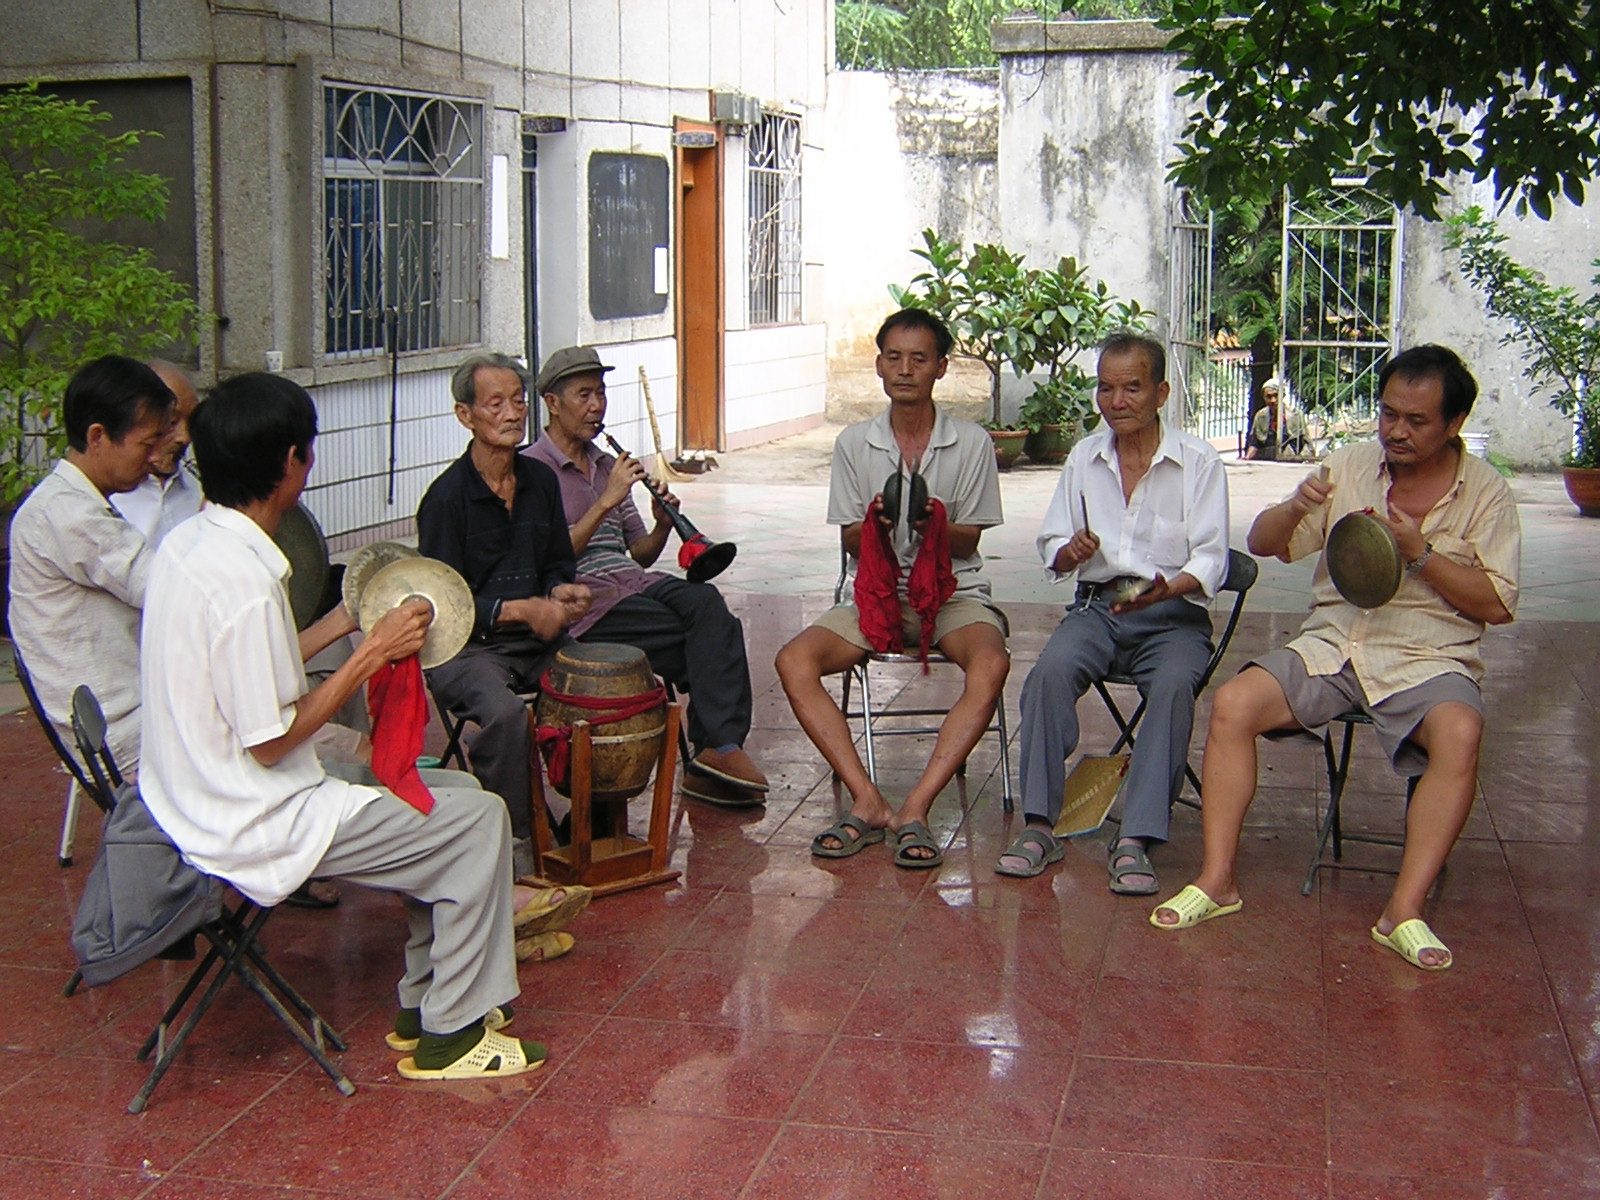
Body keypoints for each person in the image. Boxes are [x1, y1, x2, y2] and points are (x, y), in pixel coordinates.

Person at [138, 370, 545, 1079]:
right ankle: (451, 1034)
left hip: (202, 792)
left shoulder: (193, 545)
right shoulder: (242, 583)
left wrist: (349, 616)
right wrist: (373, 656)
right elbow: (270, 738)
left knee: (447, 787)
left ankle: (427, 1002)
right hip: (253, 814)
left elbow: (254, 672)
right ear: (294, 462)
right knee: (476, 825)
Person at [1152, 345, 1520, 972]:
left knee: (1460, 731)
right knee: (1235, 704)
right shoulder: (1350, 466)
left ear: (1454, 424)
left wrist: (1423, 553)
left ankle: (1402, 910)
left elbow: (1496, 604)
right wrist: (1297, 506)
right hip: (1334, 643)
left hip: (1427, 656)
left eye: (1417, 420)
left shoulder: (1487, 494)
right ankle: (1218, 881)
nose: (1396, 430)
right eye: (1388, 413)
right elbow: (1264, 544)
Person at [775, 308, 1009, 870]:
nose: (905, 369)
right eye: (894, 358)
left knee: (991, 665)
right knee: (792, 661)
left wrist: (931, 523)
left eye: (919, 359)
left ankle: (917, 806)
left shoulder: (972, 442)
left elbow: (969, 541)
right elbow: (852, 542)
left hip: (956, 594)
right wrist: (876, 528)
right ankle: (867, 798)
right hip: (873, 596)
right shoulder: (855, 443)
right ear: (879, 366)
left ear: (941, 368)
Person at [998, 333, 1229, 892]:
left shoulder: (1198, 462)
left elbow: (1214, 556)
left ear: (1161, 392)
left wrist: (1169, 588)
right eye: (1106, 387)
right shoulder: (1085, 457)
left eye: (1132, 387)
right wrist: (1068, 551)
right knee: (1048, 674)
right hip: (1100, 608)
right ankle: (1039, 826)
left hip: (1173, 616)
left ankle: (1136, 839)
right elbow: (1052, 537)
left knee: (1174, 688)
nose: (1116, 400)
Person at [524, 345, 767, 806]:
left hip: (632, 586)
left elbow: (638, 555)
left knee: (708, 605)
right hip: (585, 603)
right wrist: (604, 503)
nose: (596, 406)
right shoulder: (533, 470)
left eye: (600, 394)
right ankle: (714, 755)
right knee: (711, 638)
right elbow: (545, 559)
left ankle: (719, 749)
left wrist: (659, 523)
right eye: (583, 396)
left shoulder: (603, 463)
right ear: (552, 403)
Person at [417, 353, 593, 877]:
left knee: (610, 684)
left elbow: (558, 564)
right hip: (466, 650)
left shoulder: (539, 481)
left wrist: (563, 593)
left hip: (536, 645)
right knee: (504, 713)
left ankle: (596, 827)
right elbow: (442, 607)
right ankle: (512, 847)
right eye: (496, 403)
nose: (513, 413)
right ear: (465, 415)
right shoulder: (446, 500)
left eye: (518, 400)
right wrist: (518, 609)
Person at [9, 356, 175, 769]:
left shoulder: (66, 502)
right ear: (98, 436)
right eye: (147, 443)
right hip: (123, 735)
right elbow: (172, 591)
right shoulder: (69, 514)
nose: (156, 457)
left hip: (124, 718)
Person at [111, 361, 201, 543]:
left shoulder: (197, 492)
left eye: (191, 422)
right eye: (171, 422)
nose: (184, 437)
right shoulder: (107, 499)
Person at [1244, 377, 1310, 461]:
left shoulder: (1295, 415)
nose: (1273, 400)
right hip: (1267, 461)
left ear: (1282, 395)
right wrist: (1247, 458)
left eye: (1276, 395)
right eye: (1268, 396)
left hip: (1291, 461)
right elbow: (1255, 442)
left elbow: (1306, 443)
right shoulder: (1260, 416)